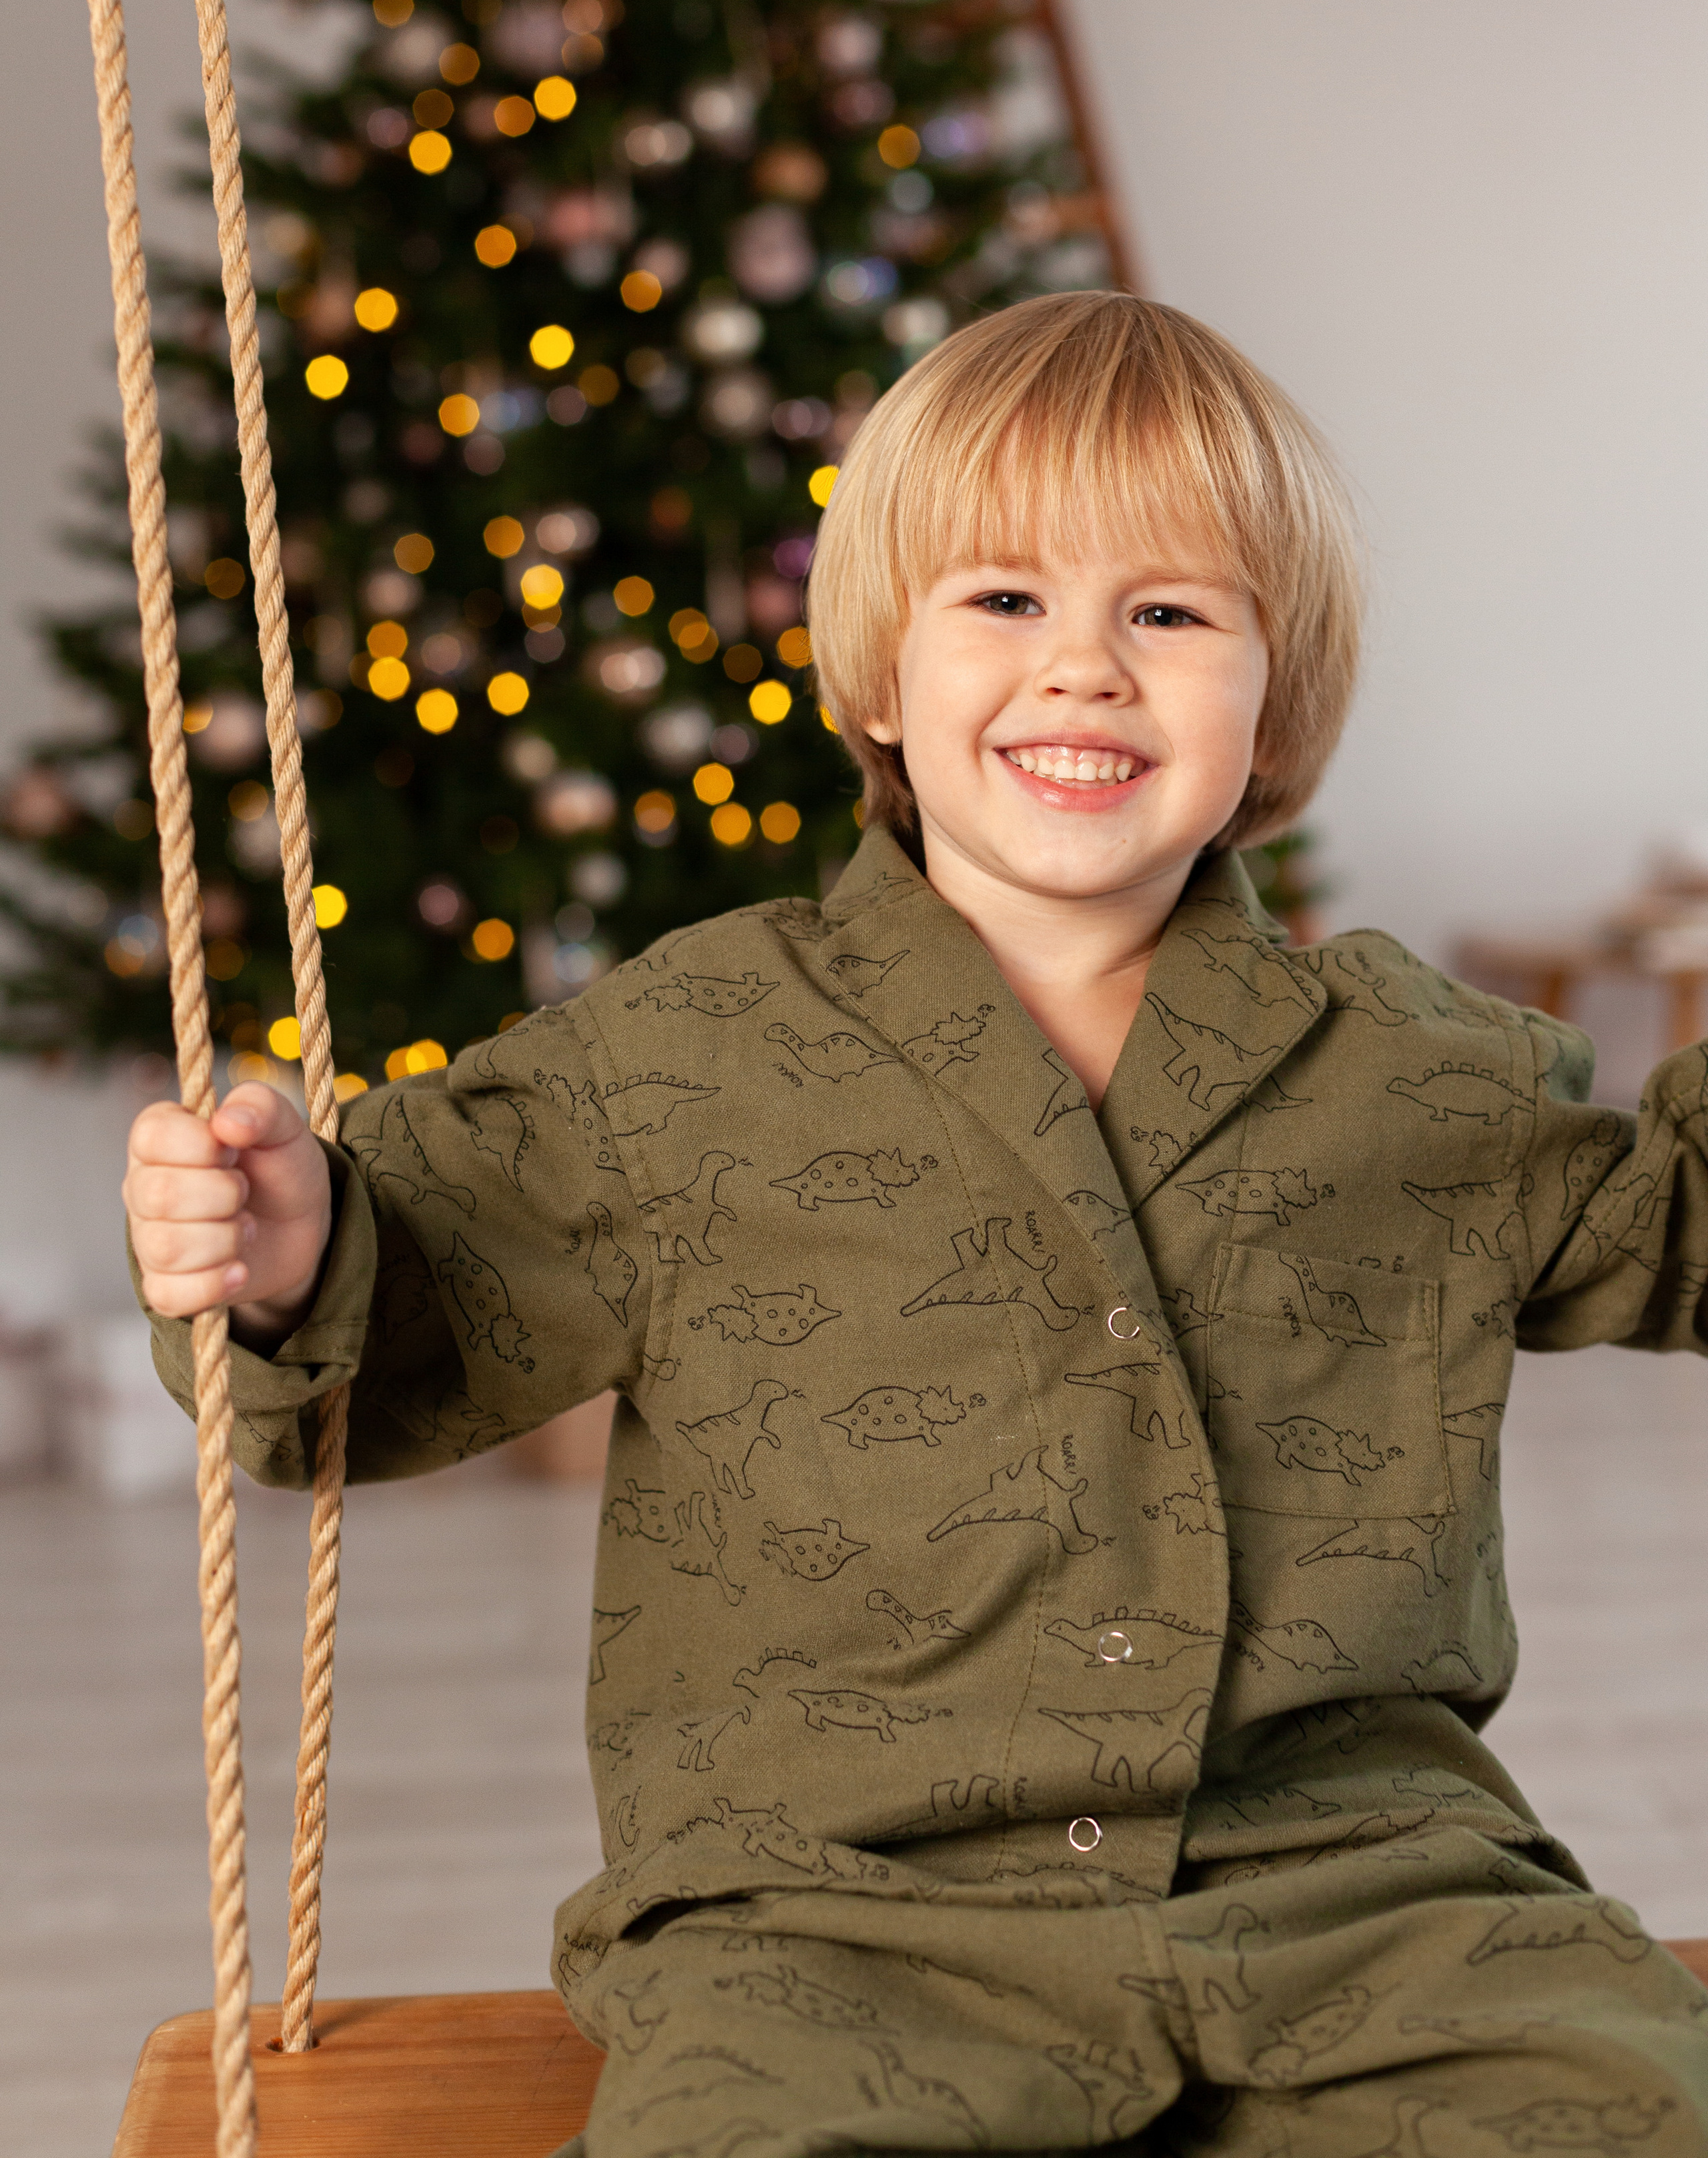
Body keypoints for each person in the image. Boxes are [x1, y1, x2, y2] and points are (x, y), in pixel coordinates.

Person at [125, 292, 1708, 2155]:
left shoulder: (1415, 1076)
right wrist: (292, 1246)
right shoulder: (685, 1057)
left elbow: (1671, 1224)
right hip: (829, 1917)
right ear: (880, 673)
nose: (1087, 670)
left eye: (1173, 613)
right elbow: (410, 1309)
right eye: (1005, 601)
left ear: (1273, 696)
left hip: (1360, 1890)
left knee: (1620, 2104)